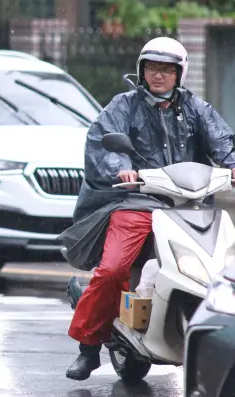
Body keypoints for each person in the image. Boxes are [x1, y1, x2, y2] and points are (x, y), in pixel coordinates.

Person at [64, 37, 235, 381]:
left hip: (189, 205)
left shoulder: (195, 108)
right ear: (142, 71)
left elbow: (223, 140)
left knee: (222, 267)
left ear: (179, 73)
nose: (159, 75)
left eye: (167, 69)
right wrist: (121, 167)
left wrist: (232, 163)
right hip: (136, 202)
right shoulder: (124, 106)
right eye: (152, 68)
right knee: (113, 269)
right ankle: (88, 346)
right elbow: (104, 140)